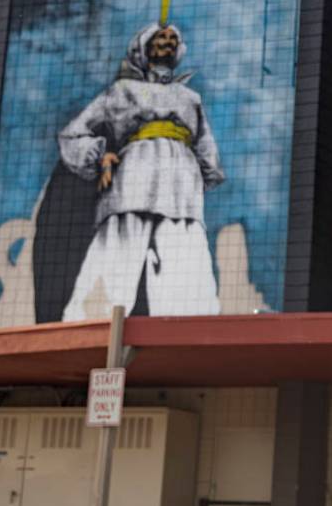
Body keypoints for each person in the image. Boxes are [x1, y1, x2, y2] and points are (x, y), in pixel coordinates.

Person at [57, 20, 224, 319]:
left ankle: (189, 340)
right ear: (143, 48)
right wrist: (99, 157)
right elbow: (73, 133)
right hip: (132, 180)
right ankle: (90, 331)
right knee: (114, 260)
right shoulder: (121, 91)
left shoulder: (190, 99)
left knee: (185, 270)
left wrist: (197, 176)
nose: (168, 43)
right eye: (161, 38)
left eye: (173, 40)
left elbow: (206, 151)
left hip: (181, 192)